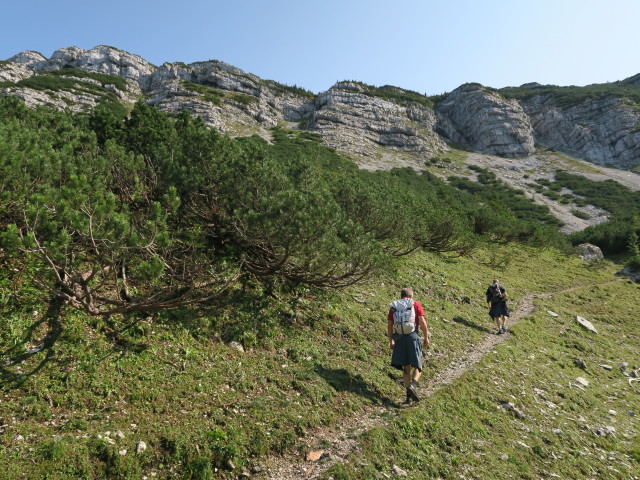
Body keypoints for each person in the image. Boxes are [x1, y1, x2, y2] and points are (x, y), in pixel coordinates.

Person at [387, 287, 430, 403]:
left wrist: (391, 340)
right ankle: (413, 386)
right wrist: (426, 337)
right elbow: (422, 321)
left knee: (406, 369)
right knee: (418, 366)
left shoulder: (394, 306)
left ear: (401, 296)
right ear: (411, 296)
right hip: (412, 337)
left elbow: (390, 324)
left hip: (399, 338)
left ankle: (408, 397)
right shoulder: (415, 304)